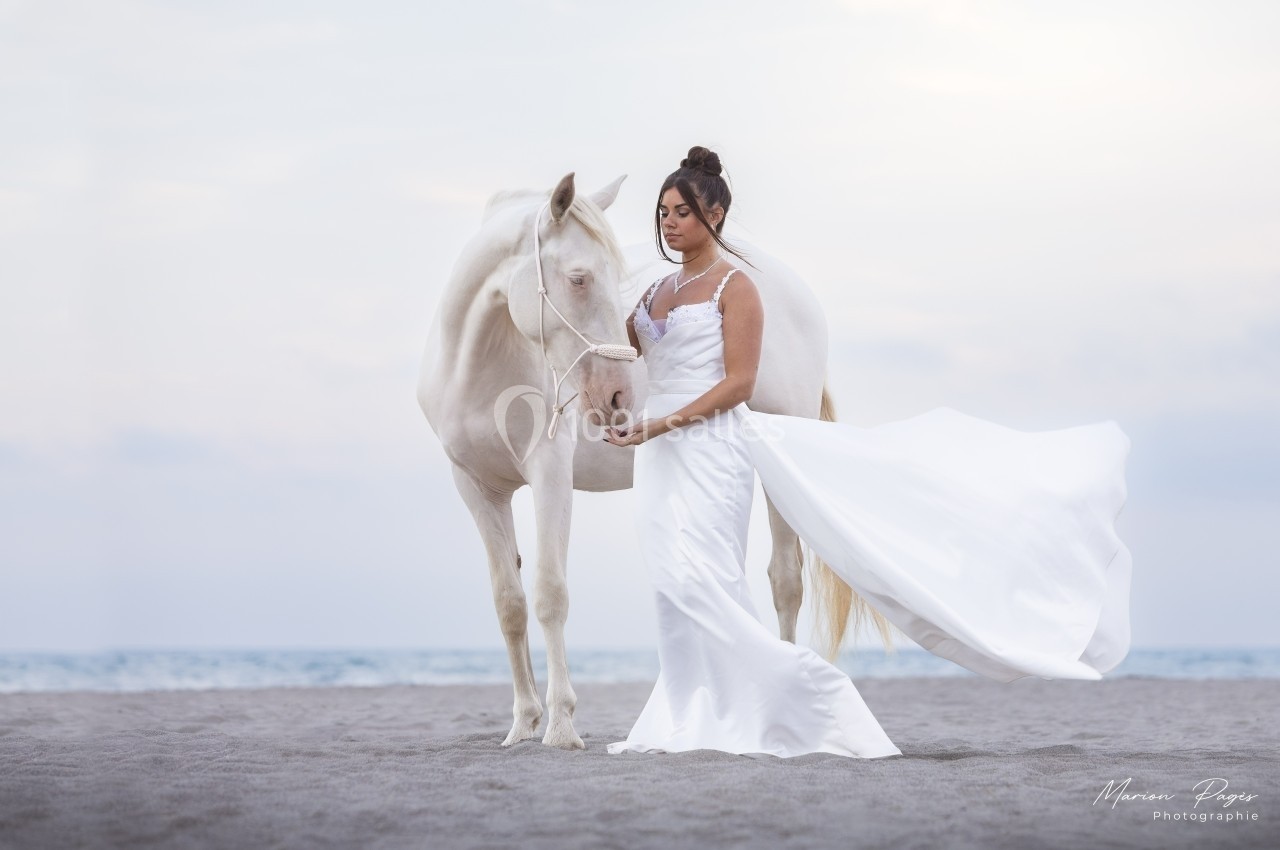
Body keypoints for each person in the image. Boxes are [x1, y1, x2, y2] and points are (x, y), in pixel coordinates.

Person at [601, 146, 1131, 759]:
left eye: (683, 212)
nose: (669, 223)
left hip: (710, 450)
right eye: (664, 211)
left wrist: (659, 423)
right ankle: (692, 713)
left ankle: (811, 697)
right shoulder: (658, 288)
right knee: (671, 585)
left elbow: (740, 384)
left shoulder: (736, 286)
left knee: (707, 583)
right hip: (660, 458)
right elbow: (620, 351)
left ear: (715, 215)